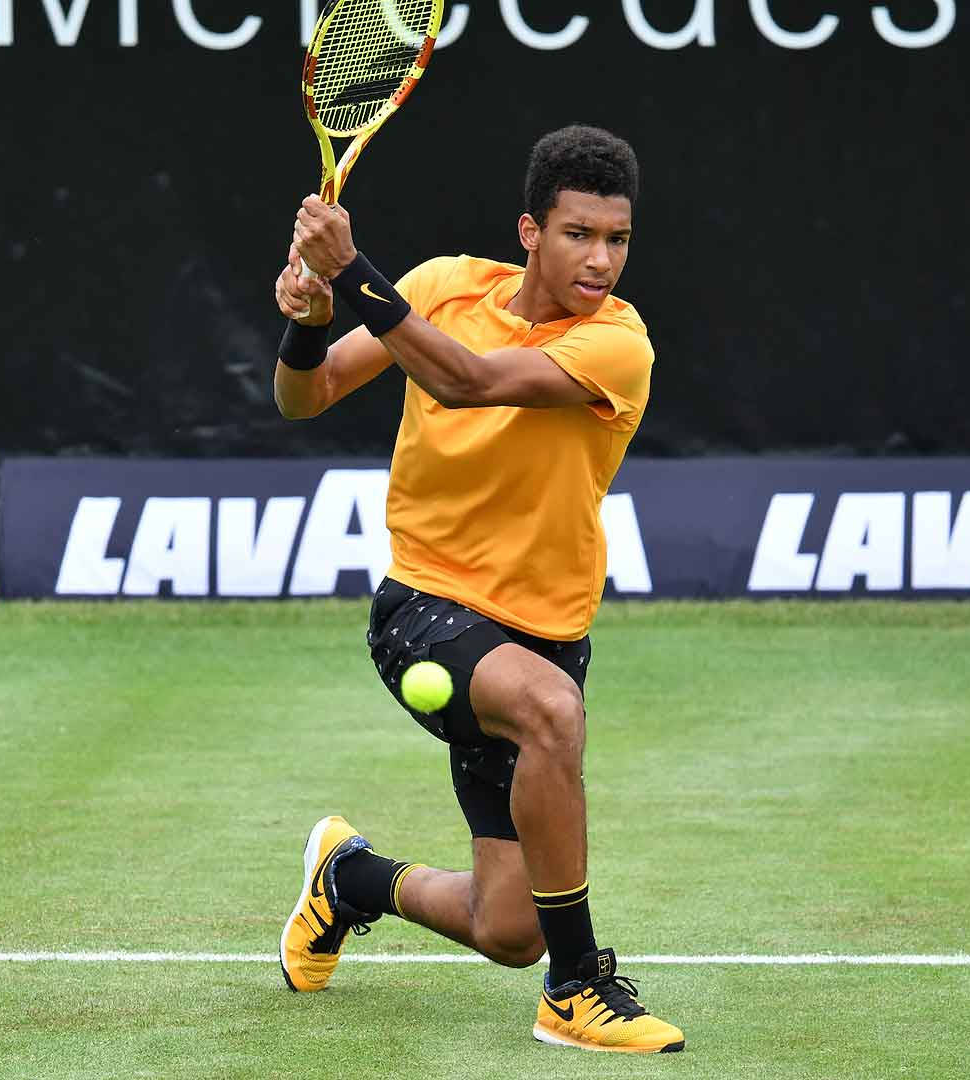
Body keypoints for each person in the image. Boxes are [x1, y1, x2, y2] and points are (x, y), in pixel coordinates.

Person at [271, 125, 683, 1055]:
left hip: (546, 631)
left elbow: (467, 382)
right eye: (579, 233)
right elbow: (305, 397)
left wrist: (351, 272)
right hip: (425, 605)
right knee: (550, 713)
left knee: (506, 928)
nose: (601, 258)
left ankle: (350, 878)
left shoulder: (618, 345)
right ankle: (577, 989)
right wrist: (305, 320)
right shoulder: (444, 286)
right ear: (530, 231)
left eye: (617, 239)